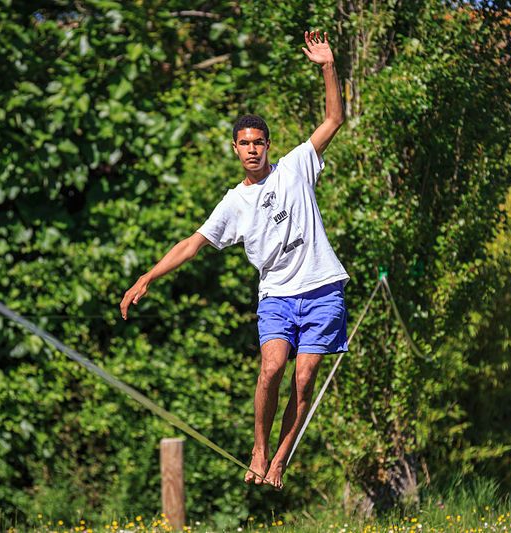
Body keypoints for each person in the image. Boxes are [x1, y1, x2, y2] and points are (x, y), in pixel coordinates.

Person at [119, 29, 347, 490]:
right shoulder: (232, 204)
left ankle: (281, 457)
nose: (252, 149)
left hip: (322, 289)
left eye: (259, 142)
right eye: (244, 143)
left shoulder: (296, 165)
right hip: (278, 296)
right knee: (272, 368)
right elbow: (192, 243)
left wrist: (327, 66)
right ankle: (259, 447)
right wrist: (148, 276)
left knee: (303, 382)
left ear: (268, 145)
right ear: (235, 148)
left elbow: (334, 119)